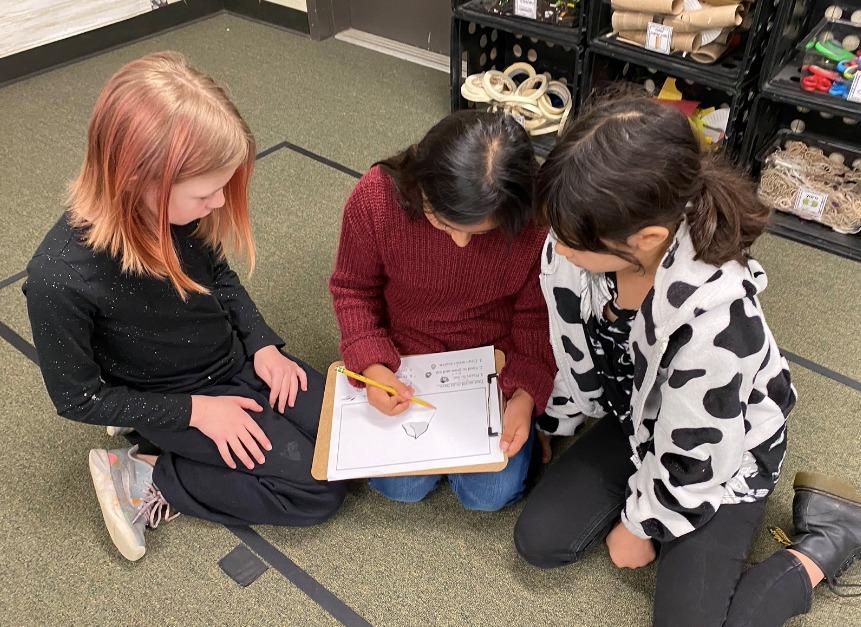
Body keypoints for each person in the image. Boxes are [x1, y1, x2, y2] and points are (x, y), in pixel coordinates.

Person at [513, 93, 861, 626]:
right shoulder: (577, 247)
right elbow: (574, 354)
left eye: (571, 240)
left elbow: (699, 454)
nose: (555, 248)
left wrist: (640, 525)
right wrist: (551, 423)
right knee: (540, 540)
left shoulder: (717, 322)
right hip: (637, 422)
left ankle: (831, 537)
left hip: (719, 455)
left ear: (647, 238)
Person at [23, 52, 346, 562]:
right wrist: (195, 412)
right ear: (138, 181)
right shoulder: (57, 279)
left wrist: (263, 345)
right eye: (206, 193)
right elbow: (78, 399)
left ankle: (159, 438)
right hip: (174, 398)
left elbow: (220, 277)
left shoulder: (174, 212)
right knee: (317, 490)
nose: (219, 204)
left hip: (233, 359)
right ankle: (146, 472)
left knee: (344, 438)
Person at [329, 110, 555, 511]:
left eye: (481, 231)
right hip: (404, 360)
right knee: (402, 487)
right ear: (419, 183)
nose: (461, 242)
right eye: (443, 222)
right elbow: (353, 289)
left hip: (492, 366)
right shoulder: (376, 198)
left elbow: (537, 318)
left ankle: (531, 434)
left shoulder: (533, 224)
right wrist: (372, 365)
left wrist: (524, 394)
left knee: (488, 495)